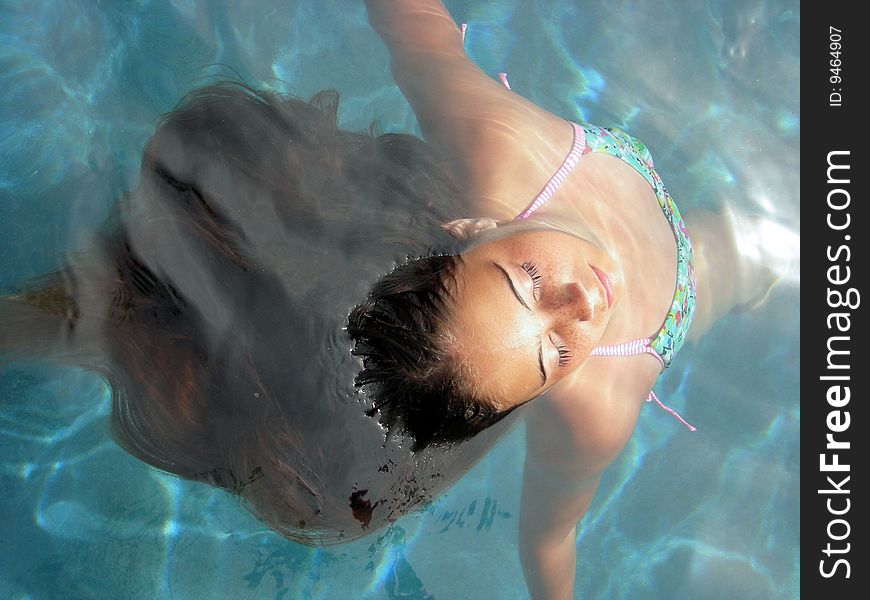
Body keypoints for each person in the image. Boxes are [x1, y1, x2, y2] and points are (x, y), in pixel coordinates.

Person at [347, 1, 790, 598]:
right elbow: (548, 540)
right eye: (554, 353)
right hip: (695, 273)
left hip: (576, 171)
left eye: (527, 279)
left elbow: (419, 36)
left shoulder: (495, 142)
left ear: (471, 229)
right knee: (760, 248)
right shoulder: (596, 409)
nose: (582, 303)